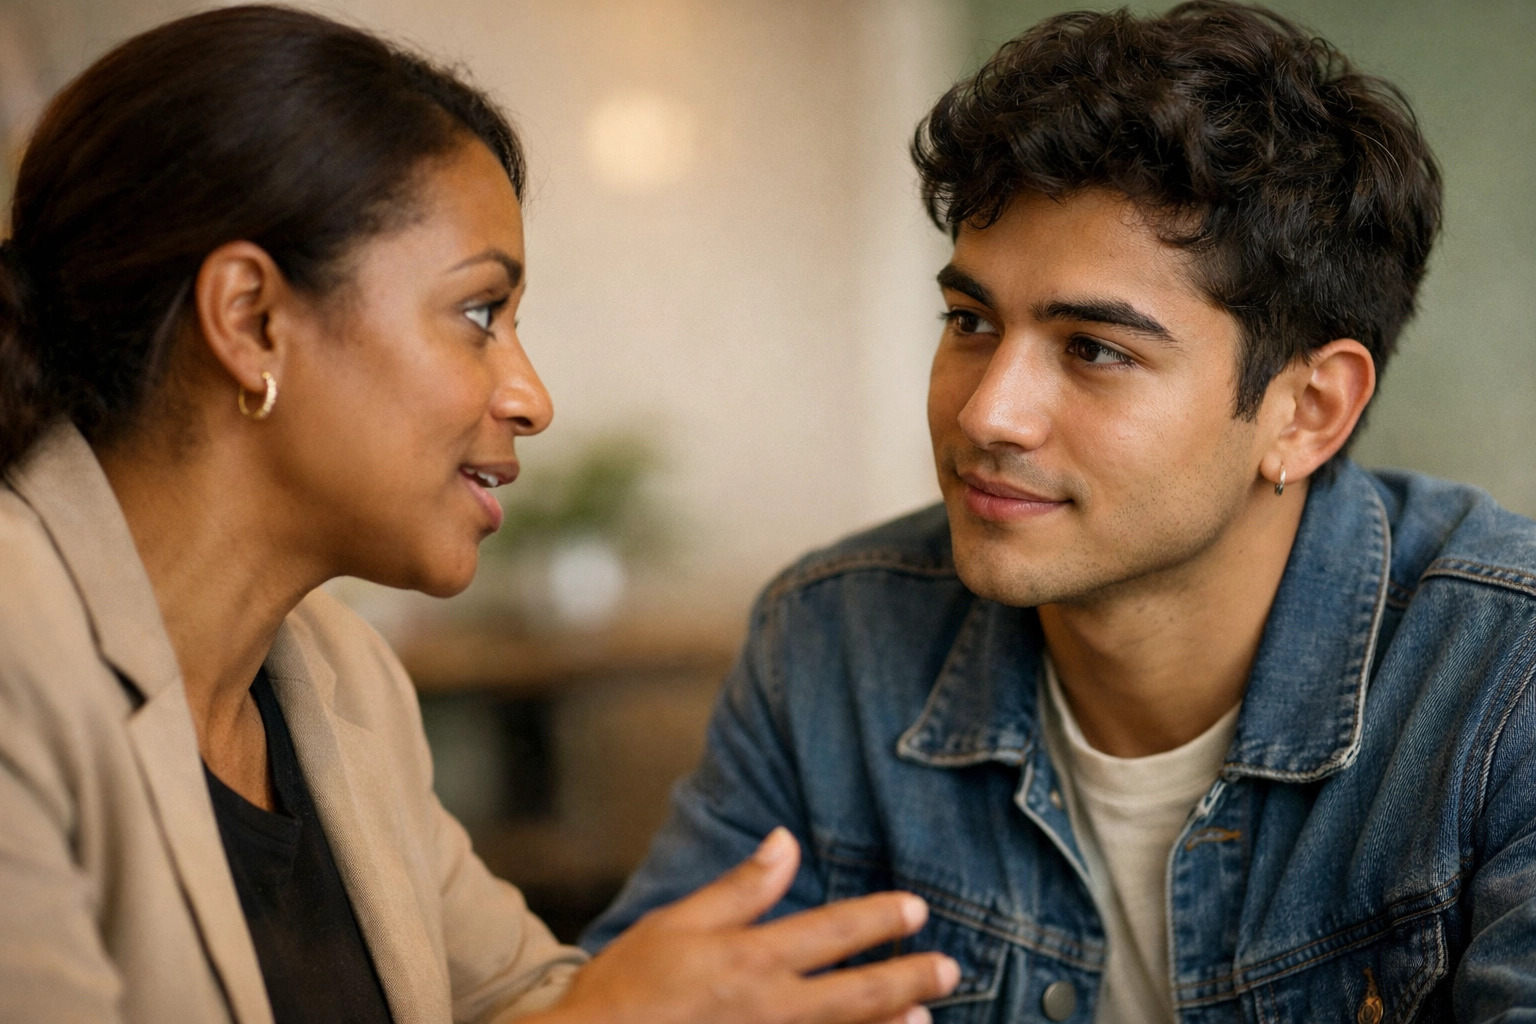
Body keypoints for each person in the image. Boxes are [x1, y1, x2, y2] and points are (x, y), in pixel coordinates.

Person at [0, 7, 963, 1024]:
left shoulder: (340, 677)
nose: (530, 397)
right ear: (251, 319)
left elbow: (527, 998)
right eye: (479, 315)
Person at [583, 2, 1536, 1021]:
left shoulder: (1502, 677)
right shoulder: (834, 640)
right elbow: (650, 997)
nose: (987, 410)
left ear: (1307, 412)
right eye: (969, 321)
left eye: (1095, 349)